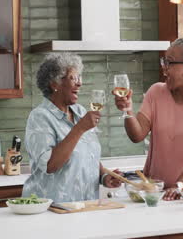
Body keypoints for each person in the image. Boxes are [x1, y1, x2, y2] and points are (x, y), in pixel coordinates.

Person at [113, 37, 183, 200]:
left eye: (169, 63)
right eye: (163, 61)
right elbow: (137, 135)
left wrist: (180, 186)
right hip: (154, 191)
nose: (164, 69)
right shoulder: (156, 92)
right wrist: (128, 110)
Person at [23, 52, 121, 203]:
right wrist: (79, 129)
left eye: (79, 77)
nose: (79, 83)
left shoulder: (80, 112)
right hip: (52, 209)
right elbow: (50, 165)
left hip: (84, 207)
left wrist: (104, 177)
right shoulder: (40, 117)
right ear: (54, 83)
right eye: (73, 78)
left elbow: (89, 156)